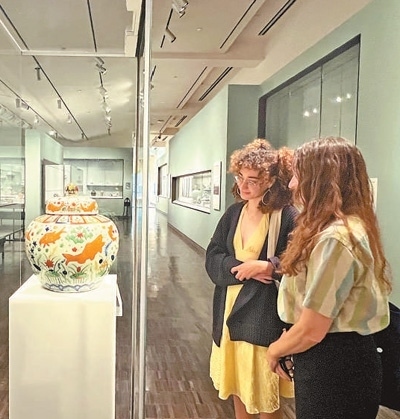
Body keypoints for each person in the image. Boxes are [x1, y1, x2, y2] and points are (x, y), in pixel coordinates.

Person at [266, 136, 392, 419]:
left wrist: (274, 350)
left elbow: (313, 328)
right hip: (334, 357)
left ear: (321, 180)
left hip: (335, 364)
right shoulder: (346, 228)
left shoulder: (335, 238)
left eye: (298, 176)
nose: (292, 185)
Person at [205, 139, 298, 419]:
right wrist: (241, 268)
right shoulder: (234, 213)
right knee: (237, 384)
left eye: (252, 181)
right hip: (229, 309)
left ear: (270, 180)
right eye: (240, 178)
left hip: (263, 316)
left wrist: (270, 267)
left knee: (264, 391)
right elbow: (213, 255)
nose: (243, 187)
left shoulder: (286, 216)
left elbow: (301, 262)